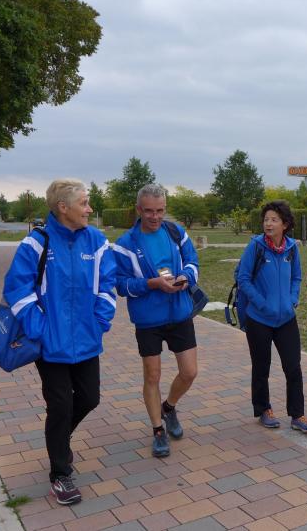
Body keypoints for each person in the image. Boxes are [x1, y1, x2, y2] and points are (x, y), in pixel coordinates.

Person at [3, 179, 117, 505]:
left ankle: (59, 437)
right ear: (63, 207)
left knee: (90, 398)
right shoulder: (35, 244)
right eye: (84, 203)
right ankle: (60, 473)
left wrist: (99, 322)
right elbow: (17, 290)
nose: (89, 209)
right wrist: (40, 329)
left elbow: (107, 285)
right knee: (60, 405)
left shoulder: (96, 241)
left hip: (87, 340)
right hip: (50, 345)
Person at [112, 184, 200, 458]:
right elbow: (121, 285)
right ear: (138, 209)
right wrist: (152, 284)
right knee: (152, 376)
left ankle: (169, 408)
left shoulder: (176, 232)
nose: (155, 216)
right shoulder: (125, 244)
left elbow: (193, 262)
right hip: (148, 319)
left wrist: (185, 277)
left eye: (160, 210)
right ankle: (158, 430)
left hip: (179, 313)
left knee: (190, 372)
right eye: (149, 211)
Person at [237, 200, 307, 433]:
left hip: (286, 319)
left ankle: (297, 415)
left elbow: (297, 277)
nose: (268, 224)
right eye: (266, 219)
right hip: (259, 318)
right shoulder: (256, 246)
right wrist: (261, 303)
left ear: (285, 224)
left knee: (293, 367)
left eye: (274, 220)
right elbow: (243, 279)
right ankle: (264, 409)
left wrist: (292, 299)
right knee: (261, 367)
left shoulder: (292, 248)